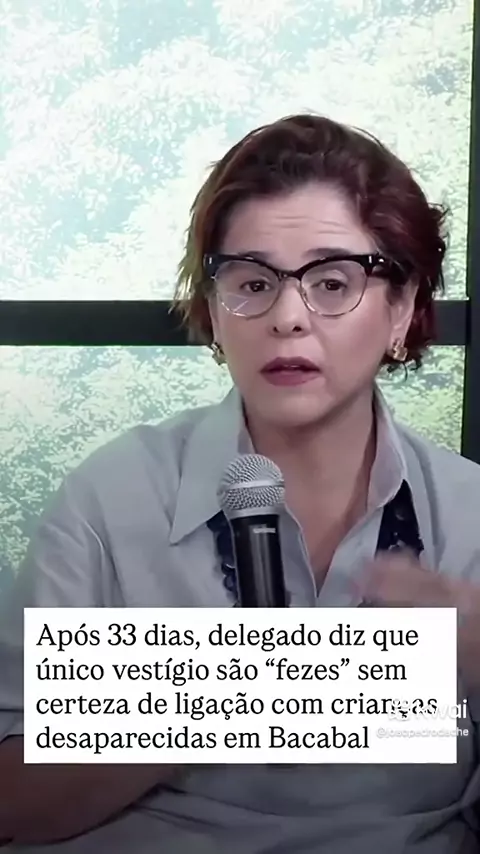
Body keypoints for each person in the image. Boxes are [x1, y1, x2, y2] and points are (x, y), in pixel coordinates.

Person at [1, 113, 480, 853]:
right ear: (214, 312)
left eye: (332, 282)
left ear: (405, 307)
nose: (288, 317)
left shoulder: (468, 514)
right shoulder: (112, 498)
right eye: (252, 283)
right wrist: (236, 689)